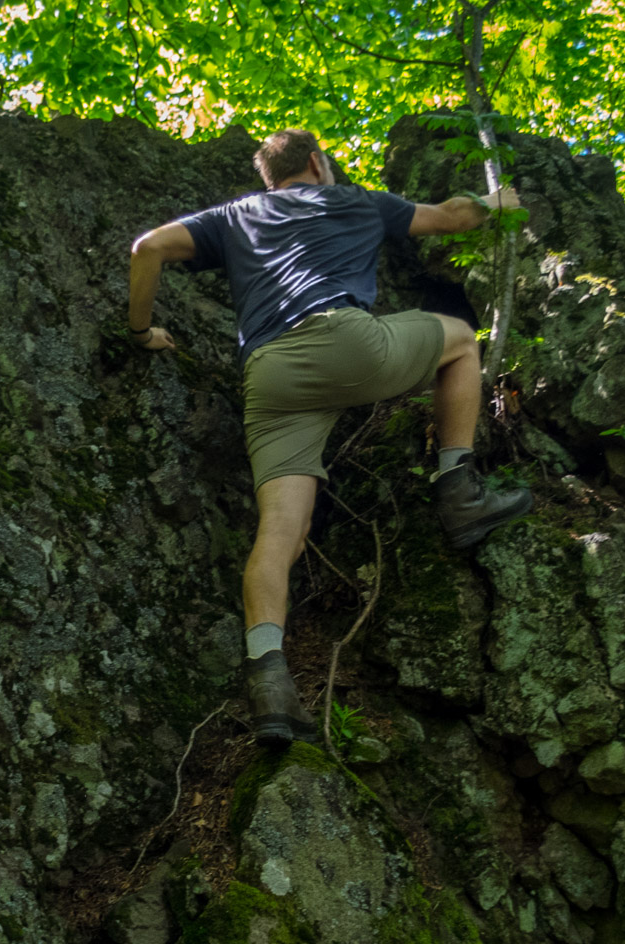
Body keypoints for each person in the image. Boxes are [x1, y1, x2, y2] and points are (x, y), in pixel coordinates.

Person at [127, 127, 532, 743]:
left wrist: (140, 333)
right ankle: (459, 489)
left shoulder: (237, 215)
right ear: (318, 163)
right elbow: (451, 219)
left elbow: (147, 247)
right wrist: (496, 205)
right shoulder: (355, 200)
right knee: (458, 339)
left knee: (279, 536)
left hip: (270, 378)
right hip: (345, 342)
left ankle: (269, 679)